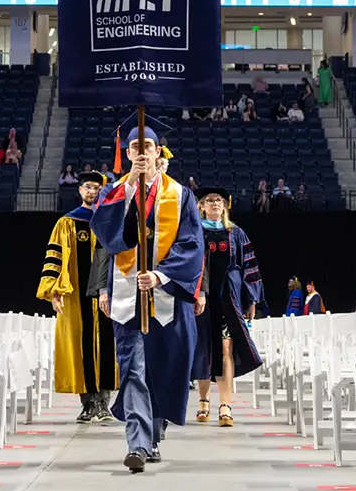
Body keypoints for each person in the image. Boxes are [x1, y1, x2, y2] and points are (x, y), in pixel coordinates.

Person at [91, 124, 202, 472]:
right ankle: (137, 444)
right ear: (128, 154)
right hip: (127, 294)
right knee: (133, 370)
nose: (142, 152)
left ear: (158, 152)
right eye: (135, 146)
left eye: (148, 146)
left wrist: (160, 275)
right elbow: (107, 238)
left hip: (165, 293)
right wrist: (106, 288)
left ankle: (153, 433)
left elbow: (192, 244)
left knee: (162, 368)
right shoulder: (114, 192)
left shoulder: (180, 194)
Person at [38, 172, 118, 423]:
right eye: (88, 187)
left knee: (108, 345)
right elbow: (55, 257)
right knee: (81, 346)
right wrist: (53, 290)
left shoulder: (111, 221)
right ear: (80, 190)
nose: (92, 191)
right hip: (77, 294)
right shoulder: (67, 222)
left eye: (97, 187)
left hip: (109, 294)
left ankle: (104, 403)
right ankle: (87, 404)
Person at [190, 186, 263, 428]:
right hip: (200, 299)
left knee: (226, 348)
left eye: (219, 200)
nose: (215, 204)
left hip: (229, 299)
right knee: (203, 348)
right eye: (209, 200)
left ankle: (225, 404)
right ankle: (202, 401)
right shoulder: (193, 232)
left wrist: (251, 298)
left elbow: (249, 268)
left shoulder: (236, 233)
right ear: (201, 206)